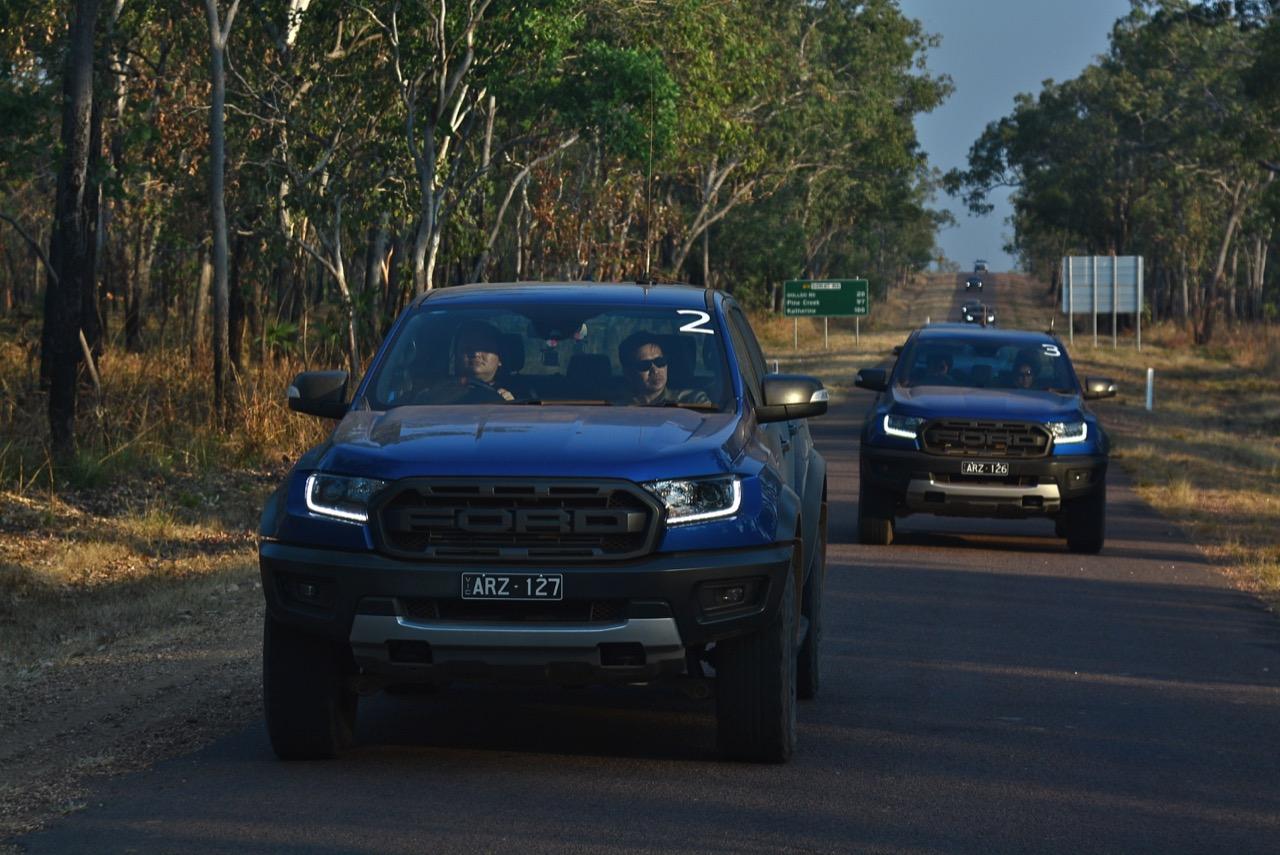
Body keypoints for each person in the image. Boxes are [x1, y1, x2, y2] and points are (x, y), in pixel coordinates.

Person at [617, 332, 710, 406]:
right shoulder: (616, 409)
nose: (655, 370)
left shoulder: (693, 401)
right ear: (628, 373)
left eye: (660, 361)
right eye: (644, 365)